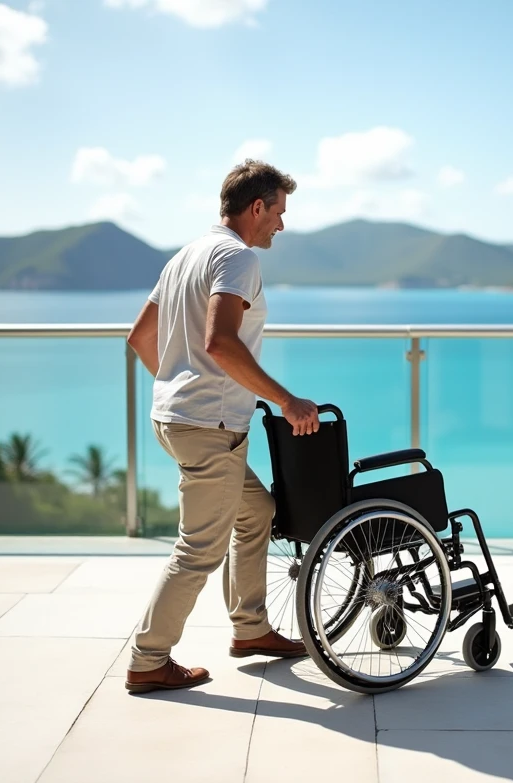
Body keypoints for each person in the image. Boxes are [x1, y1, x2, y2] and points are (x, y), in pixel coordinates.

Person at [123, 159, 321, 694]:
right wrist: (286, 400)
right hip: (208, 425)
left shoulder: (187, 255)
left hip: (178, 419)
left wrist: (179, 386)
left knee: (256, 511)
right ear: (256, 207)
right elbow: (220, 341)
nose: (282, 223)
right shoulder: (237, 258)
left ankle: (251, 629)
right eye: (279, 211)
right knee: (199, 548)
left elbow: (140, 337)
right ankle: (148, 659)